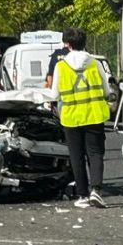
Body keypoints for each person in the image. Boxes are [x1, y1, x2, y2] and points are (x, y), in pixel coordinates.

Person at [47, 27, 111, 208]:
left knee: (76, 156)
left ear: (67, 44)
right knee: (96, 153)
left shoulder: (61, 66)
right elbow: (106, 90)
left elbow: (54, 94)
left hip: (71, 117)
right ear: (85, 43)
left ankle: (82, 195)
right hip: (94, 114)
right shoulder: (95, 63)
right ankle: (96, 191)